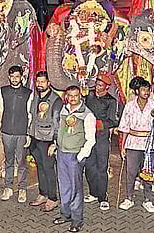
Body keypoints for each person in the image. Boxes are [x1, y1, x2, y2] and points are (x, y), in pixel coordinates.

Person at [51, 86, 96, 233]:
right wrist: (55, 145)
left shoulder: (87, 115)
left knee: (76, 189)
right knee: (63, 186)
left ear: (80, 97)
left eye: (75, 96)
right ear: (66, 97)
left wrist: (80, 156)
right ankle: (66, 214)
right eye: (69, 96)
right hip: (62, 153)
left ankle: (77, 220)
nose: (72, 98)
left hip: (75, 156)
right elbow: (59, 130)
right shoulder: (64, 110)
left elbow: (91, 139)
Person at [117, 76, 154, 213]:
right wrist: (122, 147)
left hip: (149, 144)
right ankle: (129, 198)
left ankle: (147, 200)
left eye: (148, 90)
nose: (146, 92)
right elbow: (123, 127)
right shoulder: (129, 106)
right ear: (137, 91)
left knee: (147, 173)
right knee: (131, 172)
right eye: (143, 90)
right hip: (133, 143)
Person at [0, 65, 32, 203]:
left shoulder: (28, 93)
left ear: (21, 77)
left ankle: (22, 188)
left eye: (17, 76)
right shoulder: (4, 91)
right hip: (6, 131)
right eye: (12, 76)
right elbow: (0, 111)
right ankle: (8, 187)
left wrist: (28, 133)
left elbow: (30, 114)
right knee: (9, 160)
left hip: (21, 132)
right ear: (9, 77)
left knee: (21, 161)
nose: (14, 79)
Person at [28, 71, 63, 211]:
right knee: (40, 167)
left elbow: (58, 123)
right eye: (38, 82)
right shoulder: (36, 97)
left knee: (49, 169)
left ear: (49, 83)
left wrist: (54, 143)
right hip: (35, 138)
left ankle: (53, 198)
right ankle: (43, 193)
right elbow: (32, 117)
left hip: (47, 141)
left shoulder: (56, 100)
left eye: (43, 82)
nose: (40, 84)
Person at [83, 71, 118, 211]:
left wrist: (97, 123)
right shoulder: (89, 96)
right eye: (96, 85)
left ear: (106, 87)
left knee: (101, 168)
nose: (97, 88)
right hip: (88, 136)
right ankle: (93, 193)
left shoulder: (111, 101)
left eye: (100, 86)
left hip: (101, 137)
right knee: (89, 166)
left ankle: (103, 197)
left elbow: (113, 121)